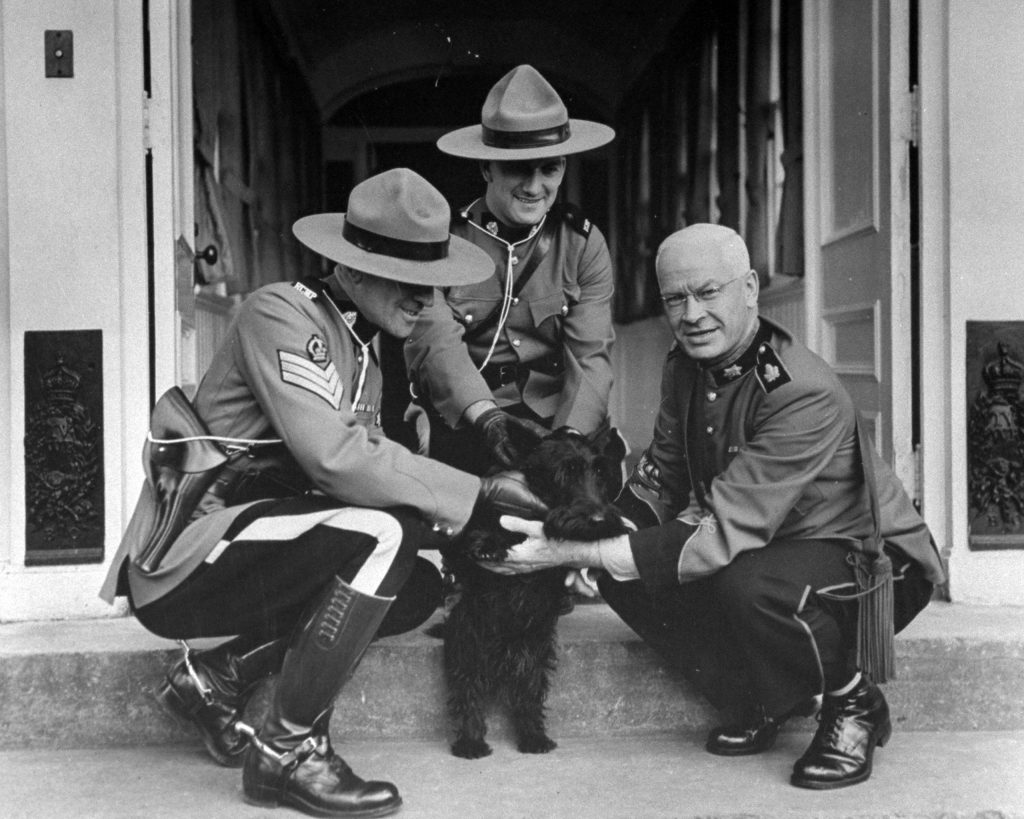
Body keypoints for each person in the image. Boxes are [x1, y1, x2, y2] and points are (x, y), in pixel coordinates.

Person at [99, 168, 547, 818]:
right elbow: (334, 458)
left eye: (434, 282)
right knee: (384, 534)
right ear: (357, 267)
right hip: (188, 553)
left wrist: (466, 489)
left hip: (254, 539)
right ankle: (287, 749)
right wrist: (475, 493)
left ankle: (217, 677)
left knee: (414, 580)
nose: (427, 300)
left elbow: (375, 442)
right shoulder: (282, 312)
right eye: (410, 282)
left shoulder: (360, 337)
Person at [485, 223, 946, 790]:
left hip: (866, 560)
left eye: (708, 292)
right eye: (676, 299)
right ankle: (759, 698)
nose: (692, 313)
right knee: (629, 578)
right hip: (766, 545)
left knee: (749, 585)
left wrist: (567, 552)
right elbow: (661, 478)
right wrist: (597, 530)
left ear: (749, 289)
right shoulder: (685, 367)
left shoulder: (799, 390)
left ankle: (854, 705)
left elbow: (722, 529)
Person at [402, 64, 617, 475]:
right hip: (464, 410)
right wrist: (486, 416)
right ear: (487, 168)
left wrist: (570, 439)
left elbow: (591, 356)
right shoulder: (444, 243)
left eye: (549, 168)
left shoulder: (582, 244)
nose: (535, 187)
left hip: (553, 417)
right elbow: (434, 341)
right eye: (519, 168)